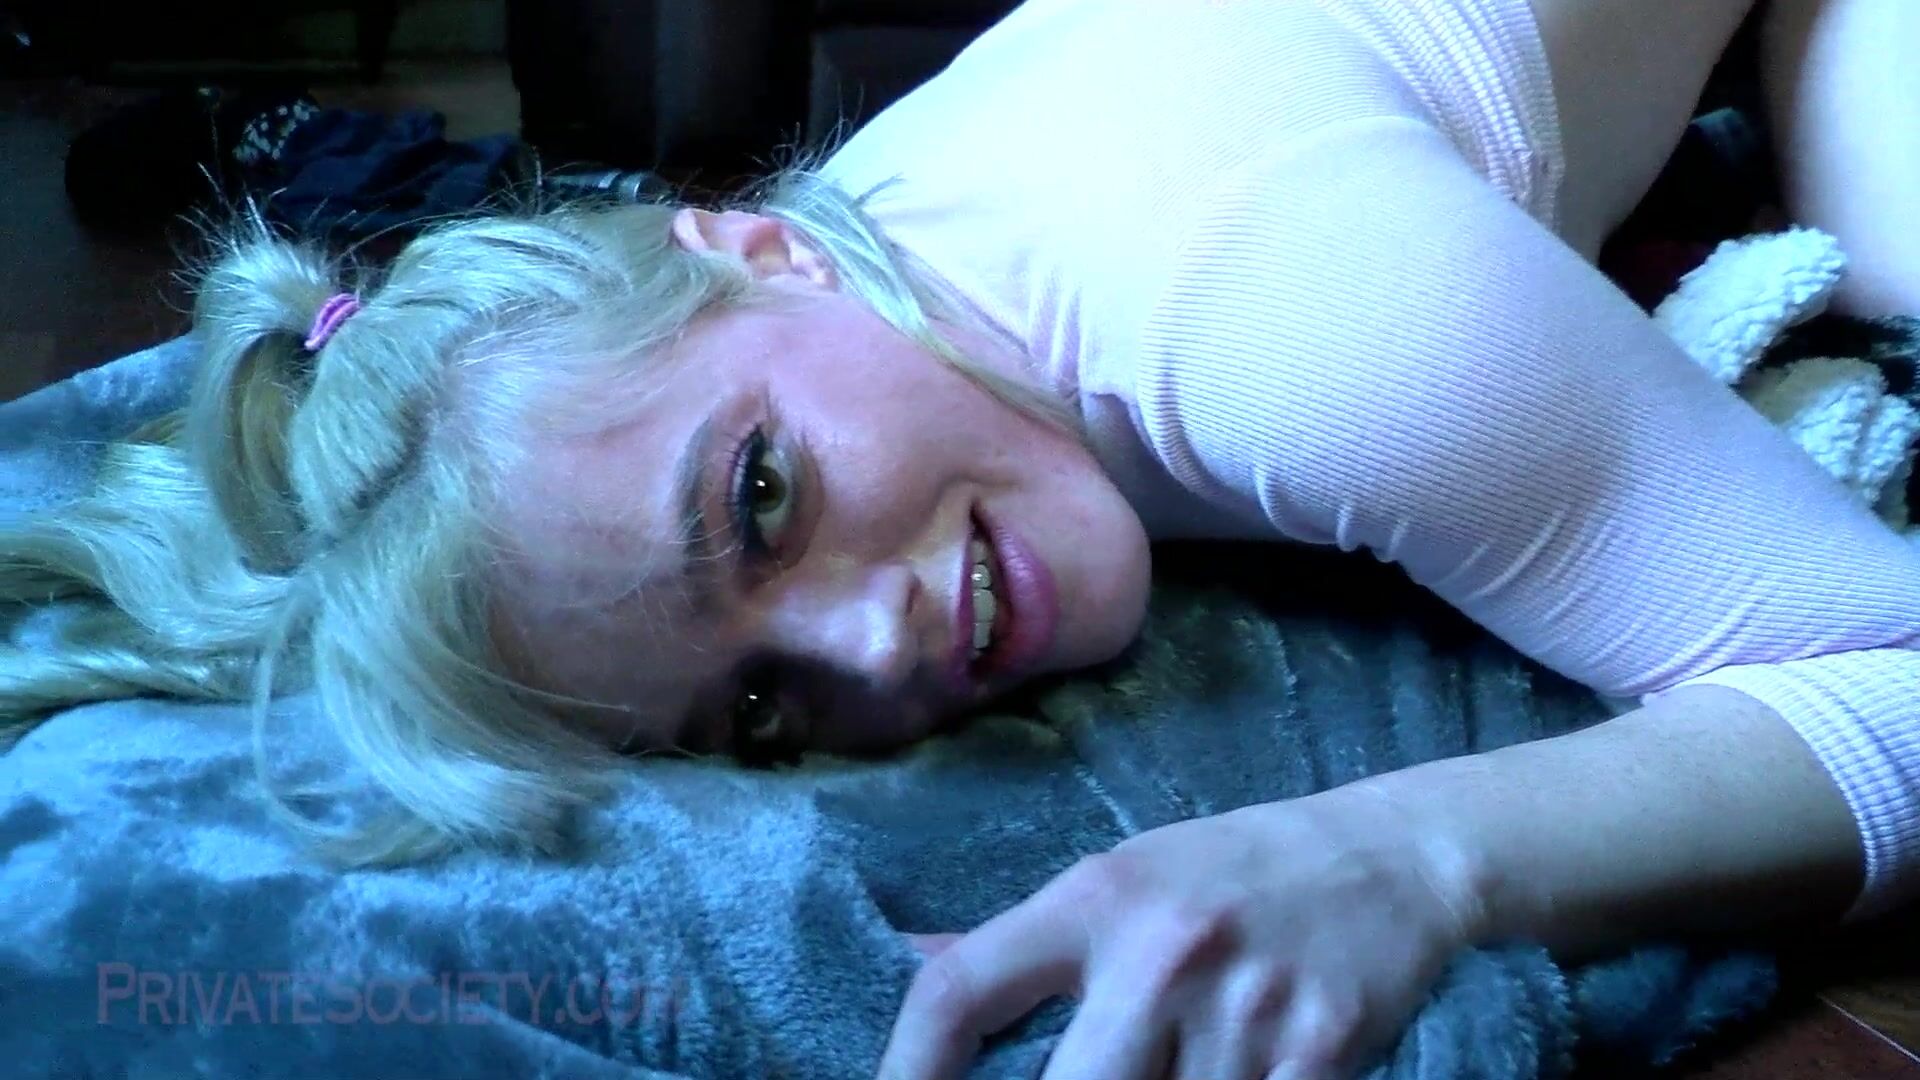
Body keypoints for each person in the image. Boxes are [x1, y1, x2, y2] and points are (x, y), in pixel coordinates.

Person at [3, 0, 1917, 1076]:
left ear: (760, 246)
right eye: (758, 712)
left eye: (760, 500)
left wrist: (1407, 857)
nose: (869, 651)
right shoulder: (834, 291)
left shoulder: (1295, 324)